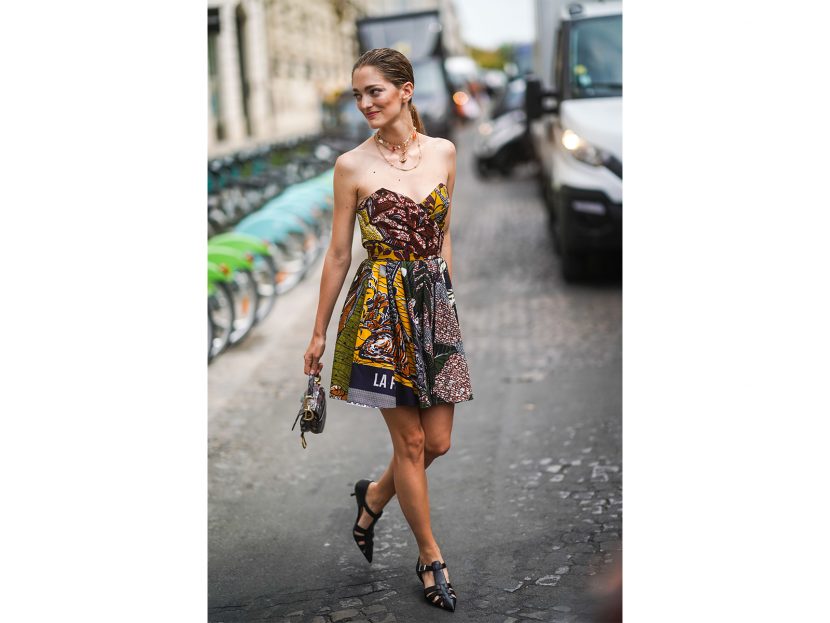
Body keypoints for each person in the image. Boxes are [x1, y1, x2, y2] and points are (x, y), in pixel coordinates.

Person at [303, 47, 473, 613]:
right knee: (412, 442)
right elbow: (336, 256)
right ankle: (430, 556)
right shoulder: (352, 166)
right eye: (357, 94)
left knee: (439, 442)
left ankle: (373, 496)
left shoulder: (445, 152)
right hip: (377, 314)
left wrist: (446, 299)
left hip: (432, 308)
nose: (364, 103)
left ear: (405, 89)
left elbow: (444, 233)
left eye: (373, 91)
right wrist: (319, 333)